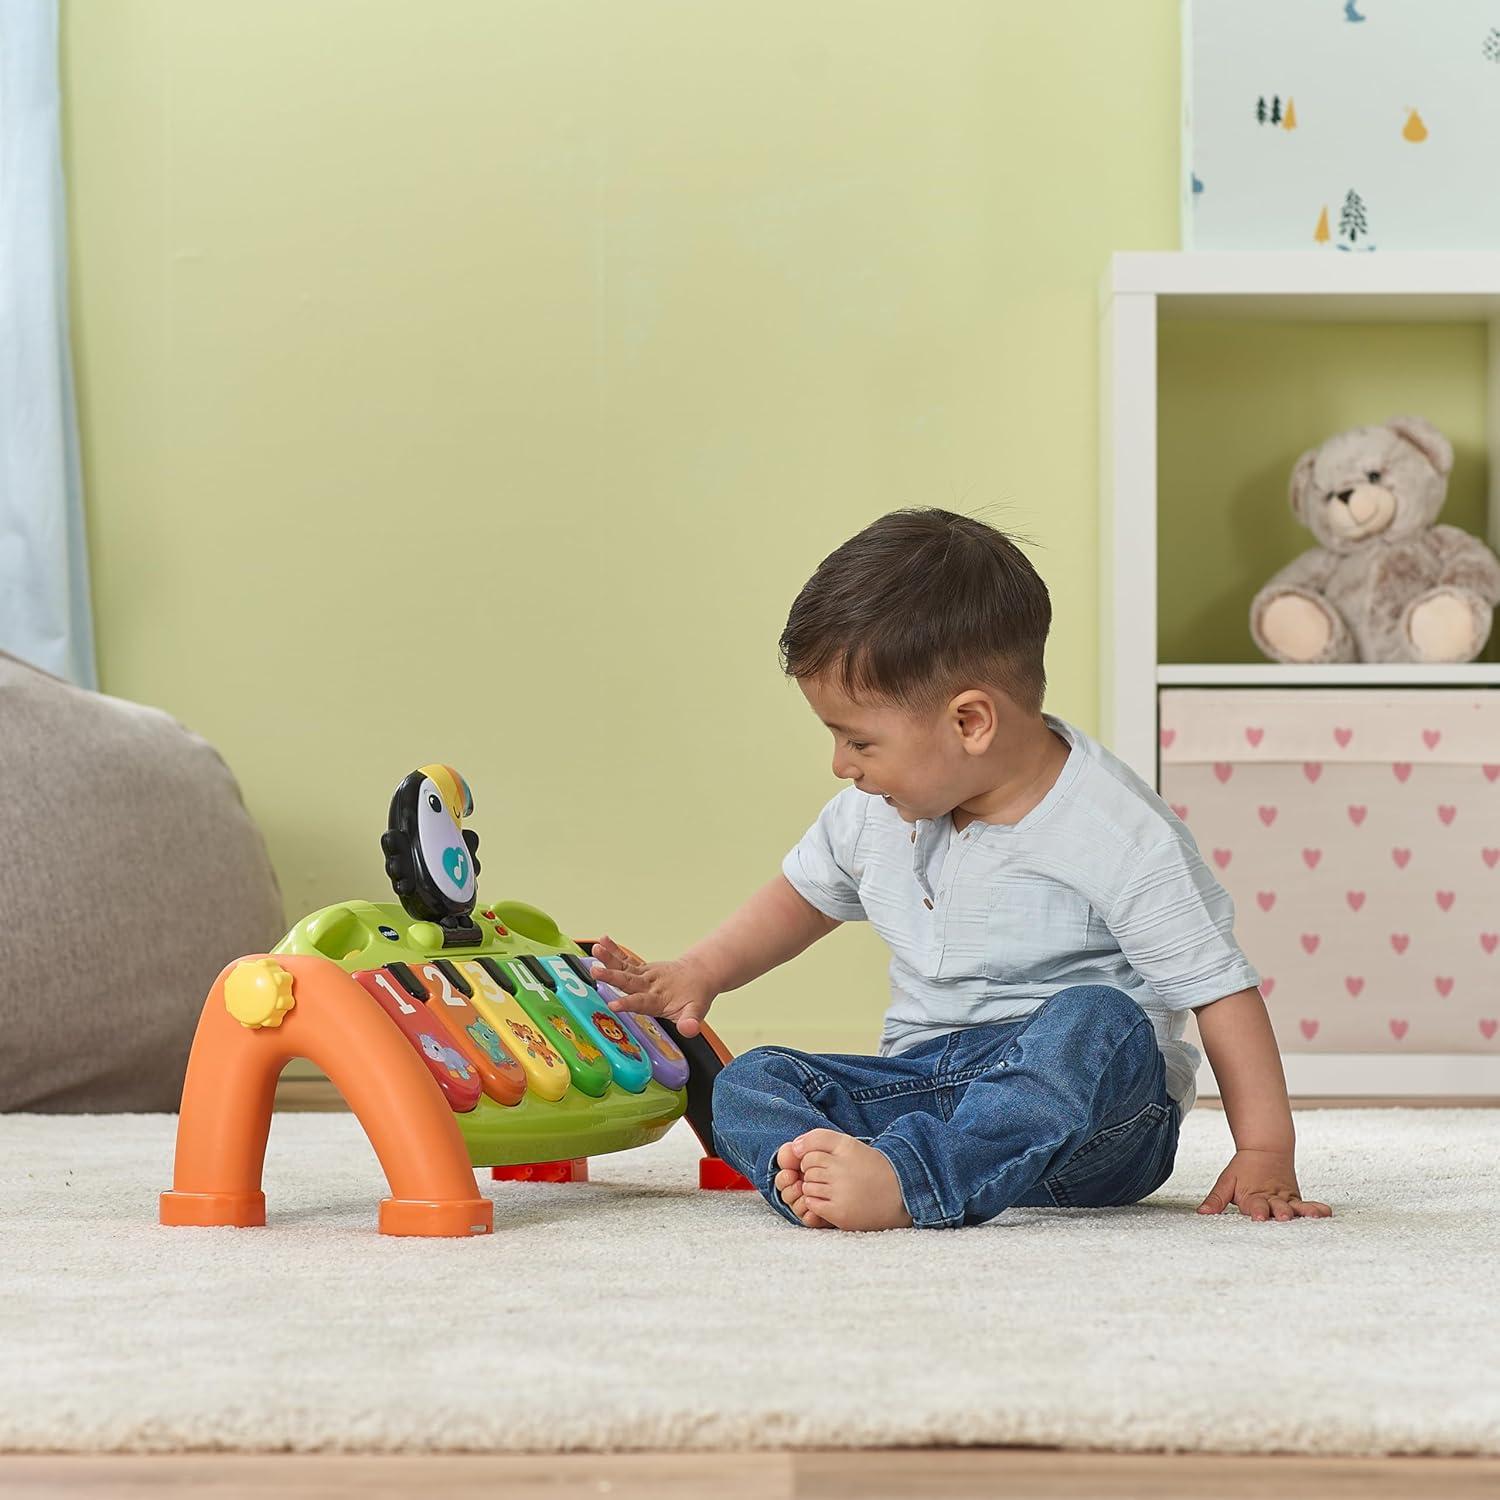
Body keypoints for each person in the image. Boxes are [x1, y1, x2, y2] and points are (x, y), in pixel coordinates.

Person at [588, 507, 1332, 1231]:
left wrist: (1264, 1151)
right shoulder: (875, 813)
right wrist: (703, 971)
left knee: (1099, 1020)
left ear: (970, 722)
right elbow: (804, 897)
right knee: (750, 1082)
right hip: (926, 1089)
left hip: (1093, 1130)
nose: (841, 765)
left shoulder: (1117, 832)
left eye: (859, 742)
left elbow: (1218, 989)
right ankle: (829, 1184)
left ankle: (911, 1184)